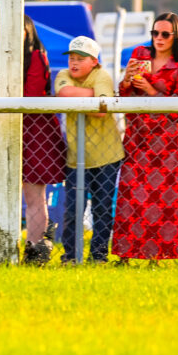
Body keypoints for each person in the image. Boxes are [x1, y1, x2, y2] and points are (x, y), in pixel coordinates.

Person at [113, 12, 178, 263]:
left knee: (162, 200)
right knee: (129, 195)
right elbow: (124, 96)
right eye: (155, 33)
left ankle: (154, 256)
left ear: (175, 36)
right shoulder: (139, 54)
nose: (158, 38)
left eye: (165, 34)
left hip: (165, 142)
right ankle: (125, 256)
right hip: (136, 136)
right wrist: (126, 81)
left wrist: (152, 91)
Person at [54, 36, 123, 265]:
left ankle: (99, 256)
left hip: (106, 156)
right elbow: (64, 96)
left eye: (80, 59)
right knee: (73, 209)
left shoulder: (102, 75)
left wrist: (83, 98)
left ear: (94, 61)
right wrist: (94, 96)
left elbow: (102, 110)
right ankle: (71, 257)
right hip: (76, 156)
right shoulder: (63, 75)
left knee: (102, 209)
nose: (74, 63)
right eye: (72, 58)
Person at [19, 17, 65, 265]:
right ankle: (0, 248)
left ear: (28, 31)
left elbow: (33, 94)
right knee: (7, 191)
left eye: (19, 29)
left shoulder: (36, 55)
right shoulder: (4, 58)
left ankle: (35, 250)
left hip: (36, 130)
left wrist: (1, 92)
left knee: (34, 194)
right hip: (12, 126)